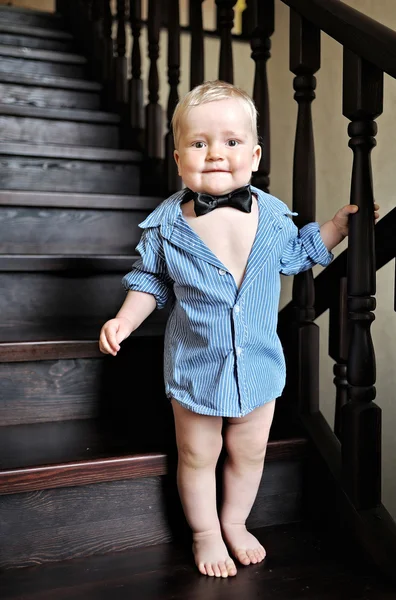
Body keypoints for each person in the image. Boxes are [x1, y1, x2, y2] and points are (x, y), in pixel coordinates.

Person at [99, 80, 379, 579]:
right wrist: (124, 318)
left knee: (249, 450)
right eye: (198, 143)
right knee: (197, 451)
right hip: (195, 368)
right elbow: (149, 282)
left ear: (253, 155)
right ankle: (205, 531)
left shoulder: (272, 215)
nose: (214, 154)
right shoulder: (165, 226)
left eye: (230, 142)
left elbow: (295, 257)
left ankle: (235, 520)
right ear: (178, 156)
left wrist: (335, 229)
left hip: (259, 365)